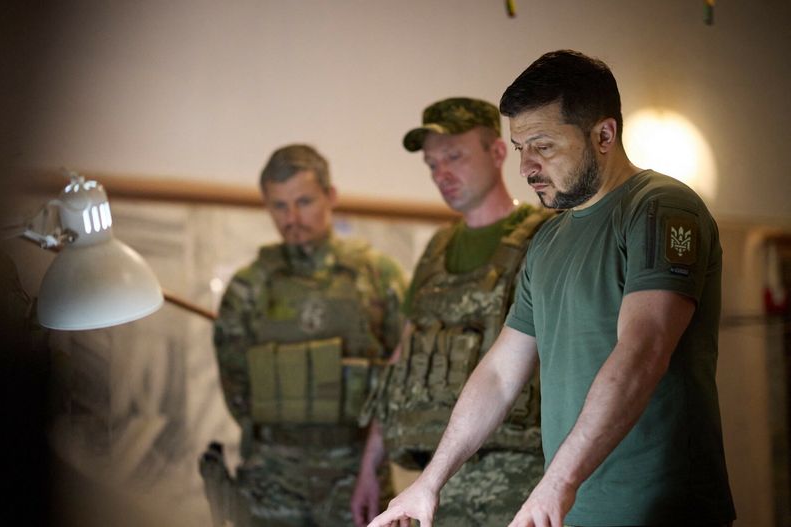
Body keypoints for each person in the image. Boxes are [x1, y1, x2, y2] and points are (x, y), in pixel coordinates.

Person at [368, 50, 735, 527]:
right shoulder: (548, 240)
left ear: (604, 135)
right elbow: (500, 373)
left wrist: (557, 484)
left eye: (543, 146)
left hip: (662, 510)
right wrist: (429, 483)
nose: (527, 167)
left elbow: (643, 351)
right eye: (520, 147)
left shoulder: (660, 208)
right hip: (572, 511)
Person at [351, 97, 553, 526]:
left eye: (454, 156)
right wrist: (371, 466)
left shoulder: (545, 237)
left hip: (519, 476)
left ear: (497, 152)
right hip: (437, 480)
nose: (441, 173)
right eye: (431, 164)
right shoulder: (436, 249)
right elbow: (404, 357)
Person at [204, 144, 408, 526]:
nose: (292, 218)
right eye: (279, 206)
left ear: (331, 196)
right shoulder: (248, 287)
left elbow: (403, 376)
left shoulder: (380, 277)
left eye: (304, 202)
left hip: (357, 475)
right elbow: (236, 388)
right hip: (272, 480)